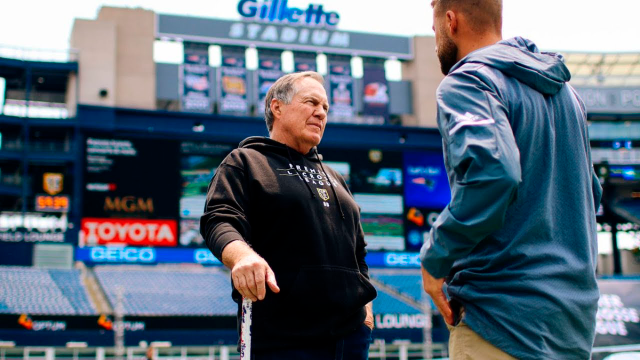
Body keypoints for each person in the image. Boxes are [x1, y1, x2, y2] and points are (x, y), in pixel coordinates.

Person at [420, 0, 602, 359]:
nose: (435, 34)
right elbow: (590, 194)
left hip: (500, 320)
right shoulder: (568, 95)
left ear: (451, 21)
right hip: (571, 326)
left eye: (435, 25)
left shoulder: (468, 80)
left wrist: (435, 258)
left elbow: (493, 175)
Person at [200, 71, 377, 360]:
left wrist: (366, 316)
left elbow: (358, 252)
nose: (321, 113)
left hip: (351, 338)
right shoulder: (245, 162)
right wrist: (242, 256)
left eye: (325, 108)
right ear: (277, 107)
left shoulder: (336, 178)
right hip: (282, 339)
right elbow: (220, 219)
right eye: (311, 102)